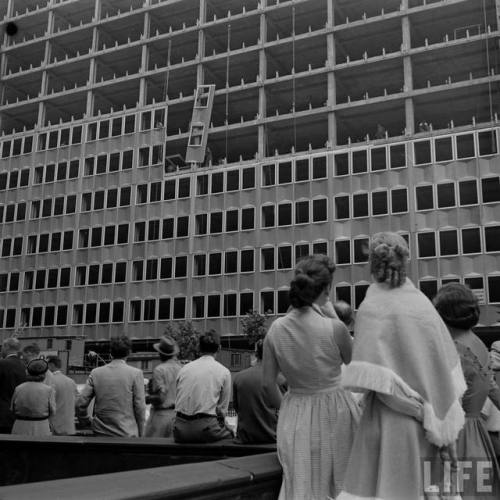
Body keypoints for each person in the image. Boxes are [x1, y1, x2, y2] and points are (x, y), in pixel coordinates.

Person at [338, 232, 467, 500]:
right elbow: (443, 370)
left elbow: (378, 383)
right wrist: (428, 415)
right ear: (406, 261)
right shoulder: (422, 305)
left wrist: (412, 407)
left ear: (372, 266)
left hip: (388, 422)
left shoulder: (372, 307)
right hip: (427, 425)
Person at [263, 254, 360, 500]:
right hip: (336, 408)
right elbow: (357, 364)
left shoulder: (276, 328)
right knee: (341, 482)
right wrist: (334, 316)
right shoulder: (334, 328)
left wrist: (287, 407)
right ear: (326, 289)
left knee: (302, 483)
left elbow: (268, 383)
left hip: (296, 411)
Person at [434, 283, 500, 497]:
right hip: (476, 436)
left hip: (452, 438)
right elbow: (493, 390)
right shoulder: (479, 344)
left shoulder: (453, 349)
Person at [77, 336, 146, 437]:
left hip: (100, 434)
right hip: (127, 435)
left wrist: (86, 421)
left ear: (110, 352)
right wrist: (141, 433)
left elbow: (80, 404)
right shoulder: (136, 374)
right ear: (129, 352)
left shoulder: (96, 373)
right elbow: (140, 408)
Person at [173, 332, 233, 443]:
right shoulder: (224, 372)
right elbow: (221, 411)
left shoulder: (184, 369)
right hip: (205, 428)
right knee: (231, 436)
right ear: (219, 348)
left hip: (180, 428)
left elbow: (177, 397)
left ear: (199, 348)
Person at [233, 339, 279, 444]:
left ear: (256, 354)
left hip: (245, 438)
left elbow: (236, 407)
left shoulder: (238, 377)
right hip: (272, 438)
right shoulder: (280, 379)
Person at [145, 336, 181, 438]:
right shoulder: (181, 369)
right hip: (177, 416)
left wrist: (146, 398)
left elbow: (160, 398)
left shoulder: (159, 370)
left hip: (161, 416)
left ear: (161, 353)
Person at [11, 359, 56, 437]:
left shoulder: (19, 388)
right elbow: (52, 410)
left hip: (20, 426)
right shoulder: (48, 390)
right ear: (44, 374)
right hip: (41, 427)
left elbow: (12, 408)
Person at [0, 337, 27, 434]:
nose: (1, 350)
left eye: (2, 347)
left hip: (2, 415)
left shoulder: (2, 364)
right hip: (18, 416)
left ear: (6, 347)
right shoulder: (24, 366)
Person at [46, 356, 78, 436]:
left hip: (55, 426)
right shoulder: (71, 381)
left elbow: (48, 404)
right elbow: (77, 401)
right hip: (70, 425)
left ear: (52, 365)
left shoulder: (49, 381)